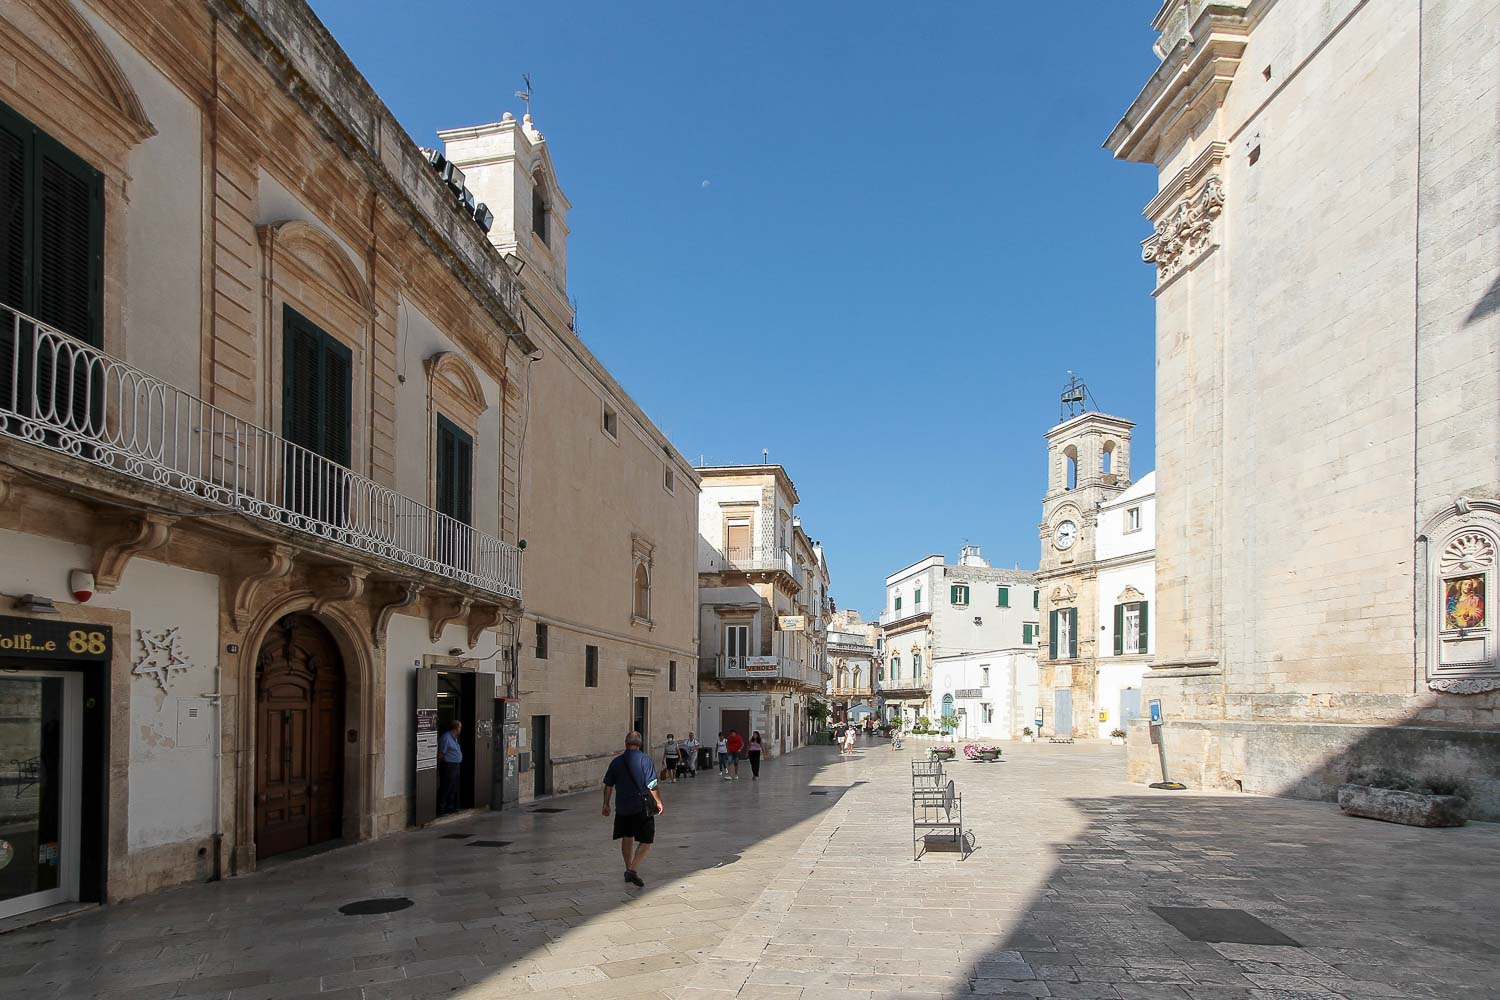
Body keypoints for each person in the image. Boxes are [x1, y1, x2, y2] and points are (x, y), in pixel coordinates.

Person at [602, 731, 664, 888]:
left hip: (622, 805)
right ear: (640, 744)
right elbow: (652, 784)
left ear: (625, 743)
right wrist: (658, 801)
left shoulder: (616, 762)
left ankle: (627, 867)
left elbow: (608, 784)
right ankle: (632, 870)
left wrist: (606, 804)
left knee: (627, 836)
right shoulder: (645, 760)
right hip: (641, 805)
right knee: (647, 839)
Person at [437, 720, 462, 815]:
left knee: (453, 786)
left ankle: (450, 806)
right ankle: (441, 808)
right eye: (460, 727)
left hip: (455, 765)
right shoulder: (446, 738)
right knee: (446, 786)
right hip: (448, 766)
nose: (460, 729)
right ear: (456, 728)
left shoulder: (454, 738)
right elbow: (441, 753)